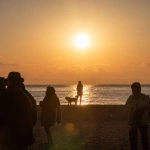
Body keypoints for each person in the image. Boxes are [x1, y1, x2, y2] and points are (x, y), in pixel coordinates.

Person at [0, 72, 36, 150]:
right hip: (25, 135)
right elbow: (34, 117)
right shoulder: (27, 94)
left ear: (9, 81)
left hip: (10, 137)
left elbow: (1, 114)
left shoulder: (6, 94)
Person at [125, 82, 150, 150]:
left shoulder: (144, 97)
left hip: (143, 121)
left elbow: (147, 104)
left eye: (135, 89)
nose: (133, 90)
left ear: (138, 89)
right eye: (132, 89)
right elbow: (126, 107)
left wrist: (139, 105)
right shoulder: (131, 98)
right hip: (133, 121)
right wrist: (132, 106)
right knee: (133, 138)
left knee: (144, 138)